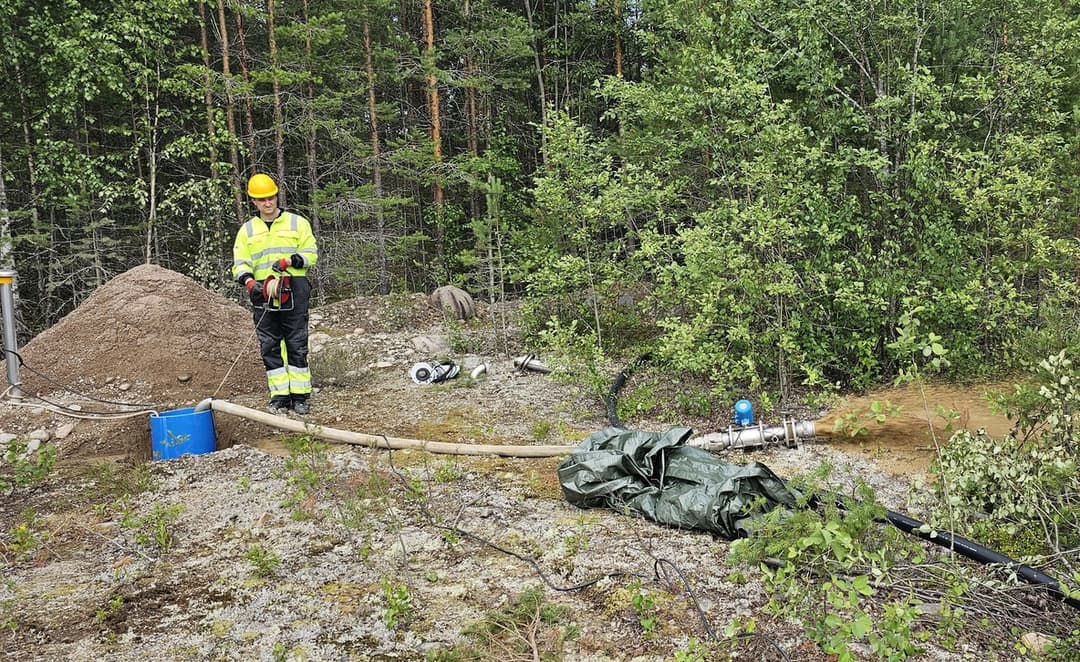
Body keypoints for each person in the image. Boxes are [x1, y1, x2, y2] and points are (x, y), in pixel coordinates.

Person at [232, 173, 319, 415]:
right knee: (269, 344)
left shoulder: (296, 223)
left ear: (276, 195)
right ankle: (280, 396)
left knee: (296, 342)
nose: (268, 203)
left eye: (271, 198)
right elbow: (240, 262)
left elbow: (311, 253)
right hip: (263, 291)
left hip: (294, 286)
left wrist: (291, 260)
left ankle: (300, 396)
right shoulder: (247, 231)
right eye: (262, 200)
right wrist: (249, 282)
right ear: (254, 202)